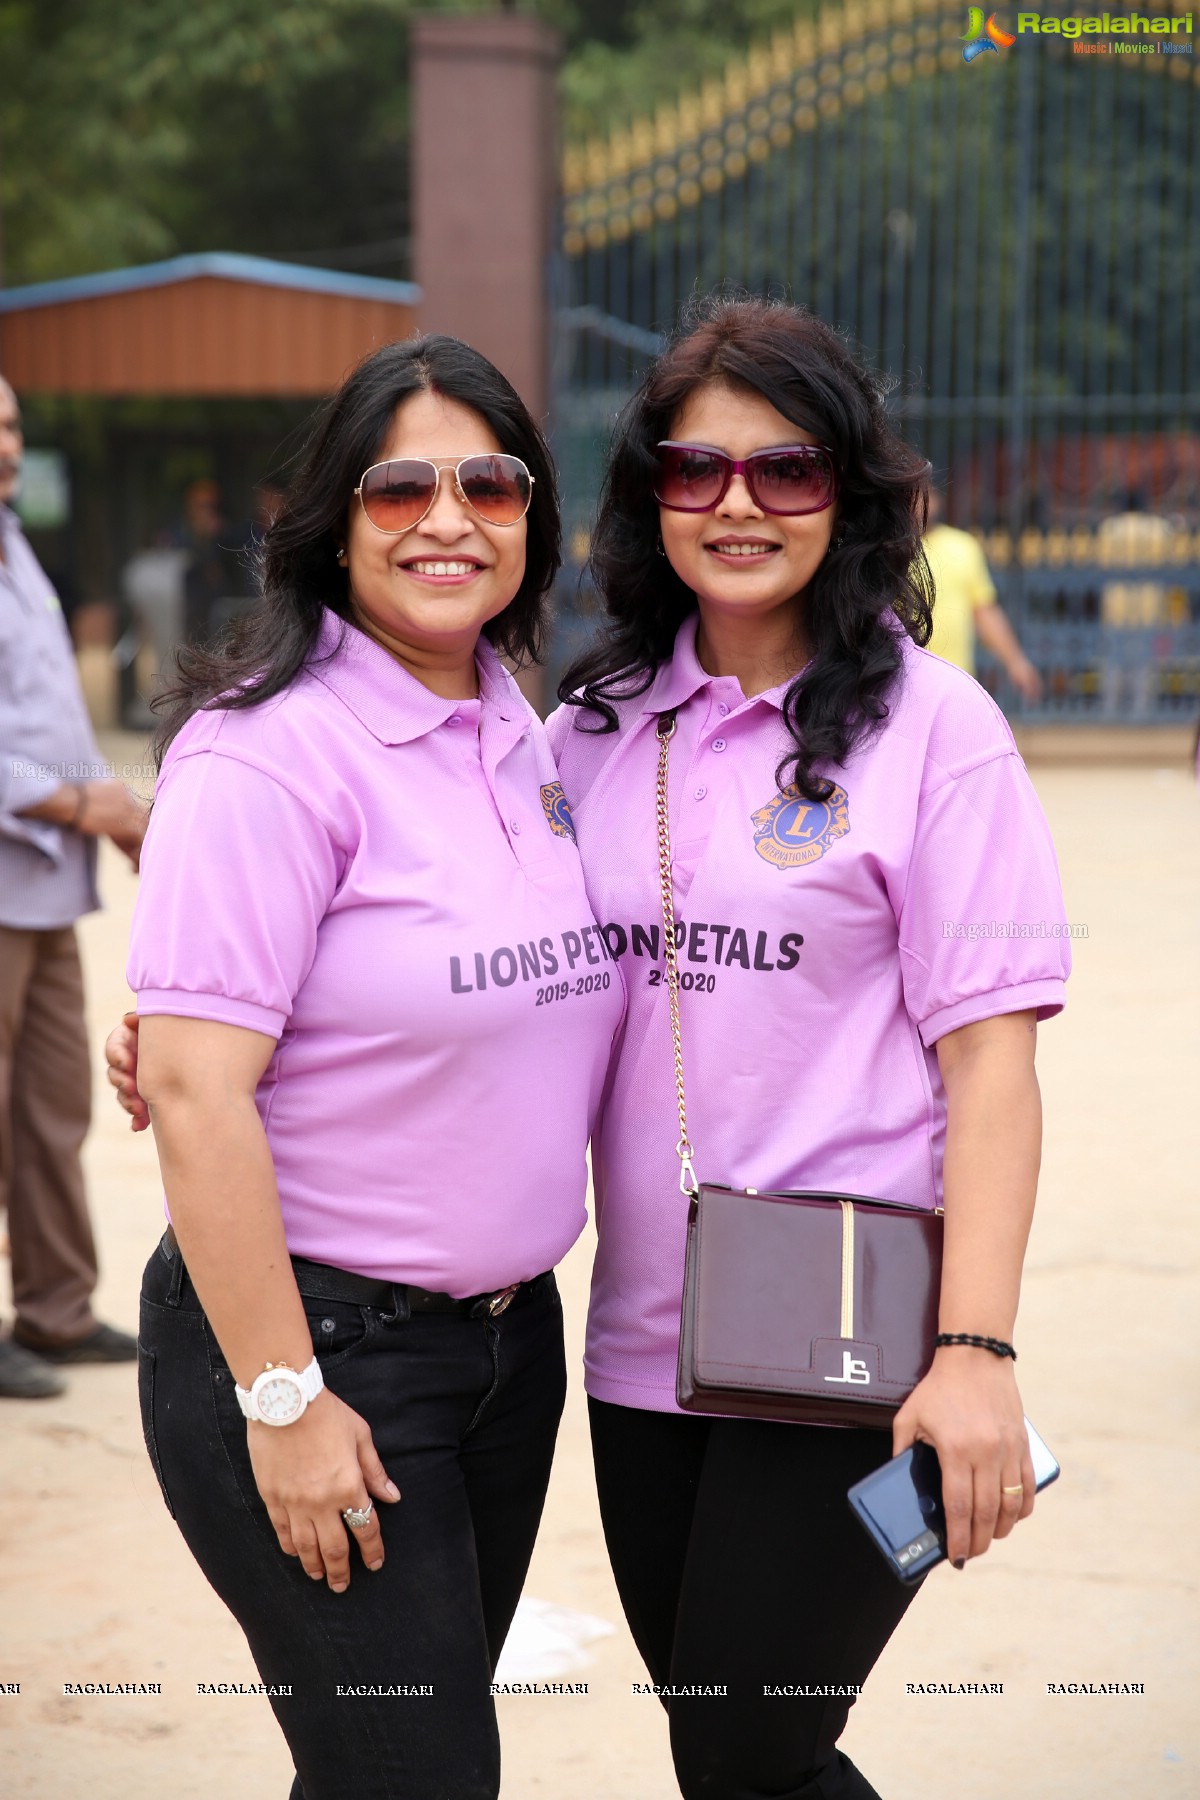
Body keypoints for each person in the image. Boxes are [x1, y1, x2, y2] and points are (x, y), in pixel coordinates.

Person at [544, 297, 1069, 1800]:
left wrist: (972, 1354)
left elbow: (992, 1067)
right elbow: (491, 976)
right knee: (735, 1760)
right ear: (652, 492)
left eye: (786, 468)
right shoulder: (590, 727)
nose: (739, 505)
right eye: (697, 468)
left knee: (744, 1743)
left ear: (846, 492)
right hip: (646, 1344)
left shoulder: (938, 730)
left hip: (854, 1334)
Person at [119, 336, 621, 1799]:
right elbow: (202, 1096)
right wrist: (282, 1398)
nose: (448, 518)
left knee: (382, 1767)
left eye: (489, 481)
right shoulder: (264, 756)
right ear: (335, 520)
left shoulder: (517, 726)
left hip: (506, 1353)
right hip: (317, 1351)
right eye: (401, 486)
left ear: (532, 518)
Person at [0, 371, 146, 1401]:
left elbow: (44, 725)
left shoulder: (15, 550)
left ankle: (53, 1310)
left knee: (51, 1108)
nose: (4, 444)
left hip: (45, 888)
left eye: (9, 424)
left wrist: (111, 800)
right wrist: (91, 805)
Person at [923, 486, 1043, 703]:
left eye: (925, 493)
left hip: (955, 682)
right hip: (900, 682)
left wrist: (1015, 661)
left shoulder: (962, 546)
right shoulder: (886, 549)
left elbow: (984, 611)